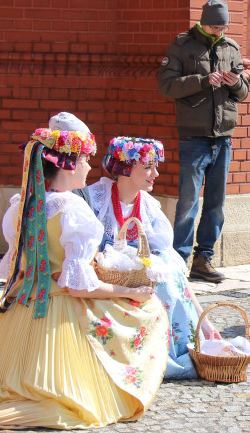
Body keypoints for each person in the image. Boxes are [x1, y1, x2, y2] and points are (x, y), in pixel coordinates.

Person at [0, 113, 169, 429]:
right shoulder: (75, 211)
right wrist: (130, 291)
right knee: (152, 309)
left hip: (24, 302)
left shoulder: (23, 203)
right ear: (67, 165)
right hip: (62, 308)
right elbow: (78, 288)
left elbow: (25, 265)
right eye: (85, 159)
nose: (89, 166)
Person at [86, 136, 220, 378]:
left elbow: (171, 266)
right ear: (125, 167)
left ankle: (183, 343)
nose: (155, 173)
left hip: (141, 284)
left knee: (166, 267)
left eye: (154, 166)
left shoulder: (149, 208)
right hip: (105, 282)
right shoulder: (96, 200)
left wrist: (204, 319)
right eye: (147, 167)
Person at [157, 0, 249, 283]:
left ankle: (203, 258)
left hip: (223, 137)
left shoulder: (231, 47)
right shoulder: (182, 45)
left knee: (216, 203)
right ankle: (179, 261)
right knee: (187, 203)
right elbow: (166, 85)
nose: (218, 32)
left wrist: (234, 81)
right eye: (214, 26)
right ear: (203, 22)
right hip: (193, 136)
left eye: (223, 27)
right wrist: (202, 80)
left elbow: (243, 93)